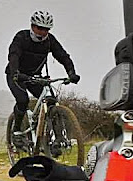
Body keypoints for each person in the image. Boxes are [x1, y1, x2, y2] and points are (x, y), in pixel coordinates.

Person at [5, 10, 80, 146]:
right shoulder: (22, 37)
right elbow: (13, 55)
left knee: (51, 101)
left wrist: (71, 72)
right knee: (23, 100)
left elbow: (63, 56)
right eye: (39, 28)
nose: (42, 32)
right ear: (32, 26)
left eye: (46, 29)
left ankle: (58, 139)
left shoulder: (50, 41)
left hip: (35, 77)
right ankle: (16, 132)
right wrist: (15, 72)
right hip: (16, 75)